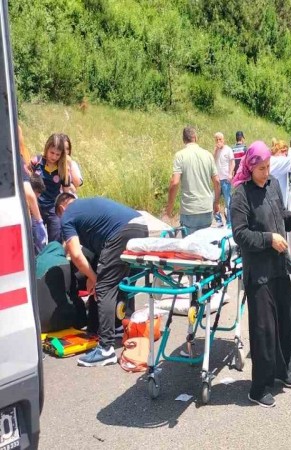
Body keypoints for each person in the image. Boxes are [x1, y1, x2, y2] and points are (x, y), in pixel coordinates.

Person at [230, 141, 291, 407]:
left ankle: (281, 370)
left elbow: (281, 219)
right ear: (251, 166)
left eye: (268, 167)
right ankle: (259, 387)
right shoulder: (240, 194)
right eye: (262, 168)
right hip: (259, 273)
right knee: (263, 329)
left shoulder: (274, 186)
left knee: (284, 324)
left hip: (279, 267)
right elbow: (240, 235)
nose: (267, 172)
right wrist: (268, 239)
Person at [55, 193, 149, 367]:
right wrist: (94, 275)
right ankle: (119, 328)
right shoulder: (88, 208)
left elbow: (75, 254)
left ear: (61, 208)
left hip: (121, 232)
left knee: (104, 288)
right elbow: (101, 251)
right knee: (121, 281)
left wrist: (94, 278)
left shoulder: (67, 215)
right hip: (141, 225)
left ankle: (105, 349)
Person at [164, 127, 220, 235]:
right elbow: (217, 181)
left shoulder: (180, 155)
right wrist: (216, 203)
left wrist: (169, 209)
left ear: (183, 139)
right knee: (204, 246)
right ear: (196, 138)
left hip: (190, 209)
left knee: (189, 249)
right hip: (206, 208)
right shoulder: (208, 155)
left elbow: (174, 182)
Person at [27, 133, 78, 242]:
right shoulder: (36, 161)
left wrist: (67, 212)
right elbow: (26, 179)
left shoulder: (64, 169)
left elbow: (66, 194)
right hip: (36, 207)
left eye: (57, 154)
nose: (54, 157)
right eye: (52, 152)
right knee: (35, 240)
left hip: (53, 209)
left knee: (56, 239)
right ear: (46, 148)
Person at [213, 132, 234, 226]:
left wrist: (230, 174)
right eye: (217, 139)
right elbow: (212, 161)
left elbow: (232, 163)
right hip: (217, 180)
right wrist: (215, 150)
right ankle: (219, 221)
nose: (218, 141)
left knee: (228, 202)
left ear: (223, 139)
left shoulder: (228, 150)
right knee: (214, 201)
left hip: (226, 179)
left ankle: (229, 223)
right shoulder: (216, 151)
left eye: (220, 139)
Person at [269, 139, 291, 205]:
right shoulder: (278, 161)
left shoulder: (272, 160)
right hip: (277, 205)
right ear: (282, 151)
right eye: (286, 154)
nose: (286, 156)